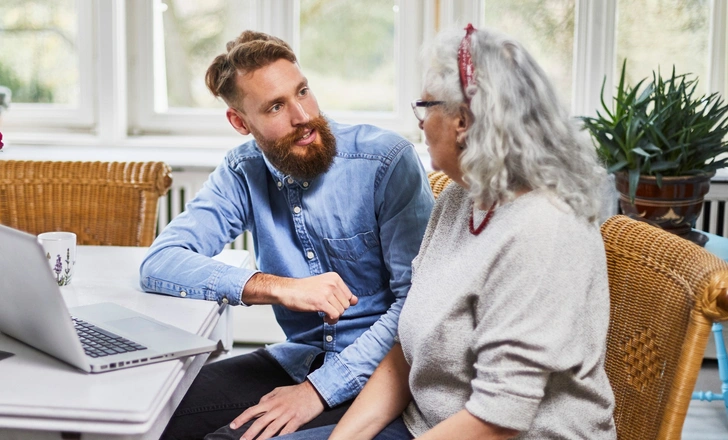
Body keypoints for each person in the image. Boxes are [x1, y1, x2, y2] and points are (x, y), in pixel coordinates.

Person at [275, 24, 617, 440]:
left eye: (425, 106)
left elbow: (499, 418)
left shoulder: (543, 229)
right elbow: (405, 354)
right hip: (427, 425)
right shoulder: (463, 197)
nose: (420, 123)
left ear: (462, 120)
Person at [139, 30, 434, 440]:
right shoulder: (243, 171)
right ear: (240, 122)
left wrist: (317, 391)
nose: (303, 117)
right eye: (276, 106)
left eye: (303, 92)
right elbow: (161, 262)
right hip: (300, 359)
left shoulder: (384, 162)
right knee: (151, 414)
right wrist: (279, 288)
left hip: (385, 375)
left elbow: (418, 308)